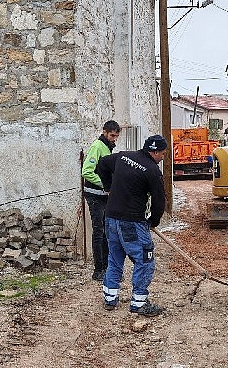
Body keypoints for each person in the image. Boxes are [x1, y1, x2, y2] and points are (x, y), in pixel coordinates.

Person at [96, 135, 167, 317]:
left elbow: (101, 164)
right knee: (145, 260)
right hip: (132, 221)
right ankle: (139, 302)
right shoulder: (152, 171)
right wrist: (153, 221)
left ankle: (110, 298)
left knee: (115, 256)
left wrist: (108, 188)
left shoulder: (122, 157)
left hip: (111, 218)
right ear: (156, 152)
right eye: (163, 154)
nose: (163, 157)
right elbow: (160, 202)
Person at [82, 120, 121, 281]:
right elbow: (87, 171)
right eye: (112, 135)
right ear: (104, 132)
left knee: (106, 232)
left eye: (116, 136)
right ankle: (98, 269)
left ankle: (106, 267)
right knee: (99, 232)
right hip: (95, 195)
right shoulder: (97, 147)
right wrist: (106, 184)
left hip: (104, 195)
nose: (114, 139)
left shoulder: (107, 148)